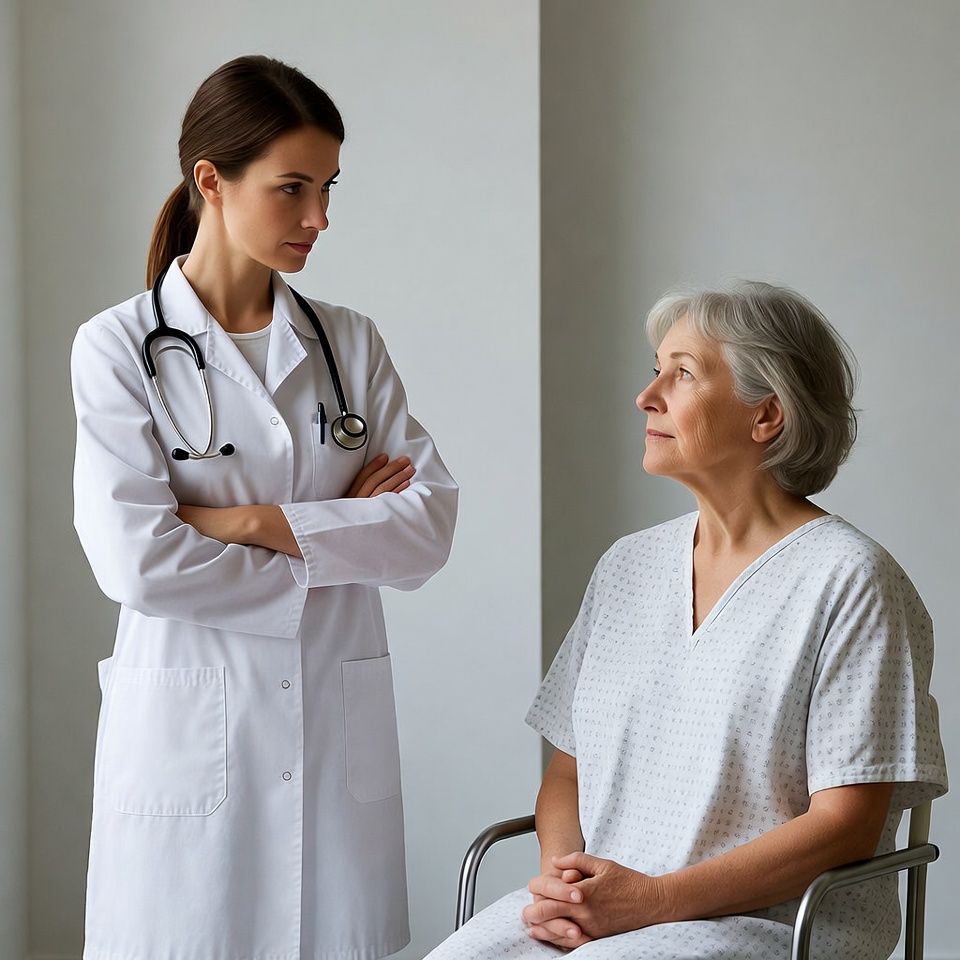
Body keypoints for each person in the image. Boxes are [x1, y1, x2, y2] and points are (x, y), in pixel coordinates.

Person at [426, 281, 946, 960]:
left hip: (769, 923)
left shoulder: (850, 581)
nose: (647, 396)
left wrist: (651, 901)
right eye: (655, 370)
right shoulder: (626, 567)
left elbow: (845, 827)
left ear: (767, 416)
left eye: (684, 373)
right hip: (606, 909)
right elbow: (566, 775)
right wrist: (566, 886)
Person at [71, 55, 458, 960]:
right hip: (188, 753)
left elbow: (427, 530)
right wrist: (338, 534)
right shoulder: (119, 348)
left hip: (332, 747)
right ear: (211, 179)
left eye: (327, 188)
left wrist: (239, 521)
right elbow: (136, 561)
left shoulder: (348, 343)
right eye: (292, 189)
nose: (319, 218)